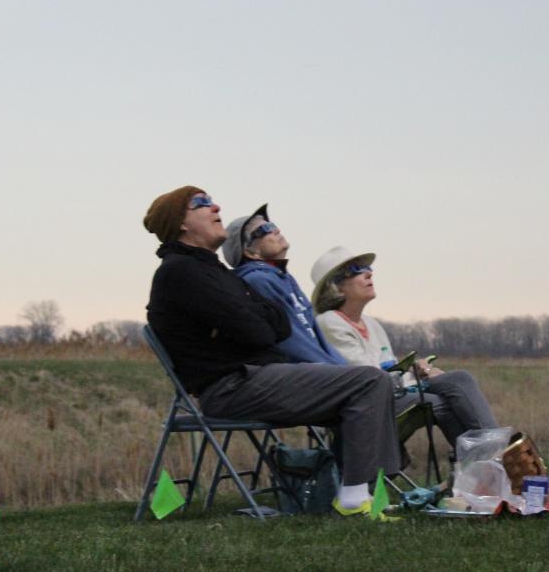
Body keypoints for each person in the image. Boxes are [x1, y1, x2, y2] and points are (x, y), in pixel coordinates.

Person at [142, 186, 400, 517]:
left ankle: (367, 489)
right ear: (181, 223)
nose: (216, 205)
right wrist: (255, 322)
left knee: (369, 385)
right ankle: (354, 498)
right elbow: (258, 331)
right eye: (202, 203)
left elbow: (277, 325)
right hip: (232, 386)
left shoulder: (216, 271)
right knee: (368, 382)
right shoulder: (181, 271)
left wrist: (254, 321)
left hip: (255, 376)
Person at [309, 246, 499, 449]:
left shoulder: (372, 324)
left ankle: (485, 463)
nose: (368, 273)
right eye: (356, 269)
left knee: (460, 378)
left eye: (367, 268)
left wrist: (420, 372)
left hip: (391, 392)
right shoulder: (329, 323)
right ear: (336, 286)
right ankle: (493, 461)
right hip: (363, 404)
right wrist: (415, 374)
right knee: (439, 402)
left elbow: (390, 371)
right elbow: (370, 378)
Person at [220, 204, 346, 366]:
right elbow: (293, 343)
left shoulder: (283, 277)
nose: (276, 230)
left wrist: (345, 368)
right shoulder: (257, 281)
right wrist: (341, 372)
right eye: (263, 230)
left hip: (322, 370)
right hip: (304, 376)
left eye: (272, 225)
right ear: (251, 252)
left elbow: (315, 337)